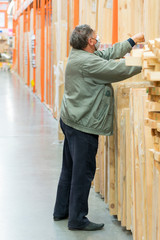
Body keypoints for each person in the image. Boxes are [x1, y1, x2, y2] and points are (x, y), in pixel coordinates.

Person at [53, 24, 144, 231]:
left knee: (69, 169)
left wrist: (132, 41)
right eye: (95, 36)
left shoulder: (80, 55)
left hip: (71, 119)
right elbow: (117, 69)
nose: (98, 38)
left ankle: (62, 210)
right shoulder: (87, 63)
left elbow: (108, 54)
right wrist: (145, 62)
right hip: (83, 125)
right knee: (83, 173)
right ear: (90, 42)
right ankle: (77, 219)